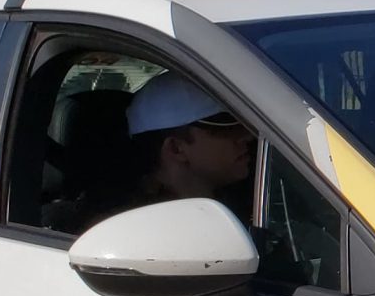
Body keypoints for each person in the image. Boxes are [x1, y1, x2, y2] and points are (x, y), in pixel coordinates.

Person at [45, 73, 254, 234]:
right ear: (176, 148)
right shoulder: (127, 228)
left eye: (245, 123)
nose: (247, 136)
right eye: (227, 128)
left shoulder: (254, 200)